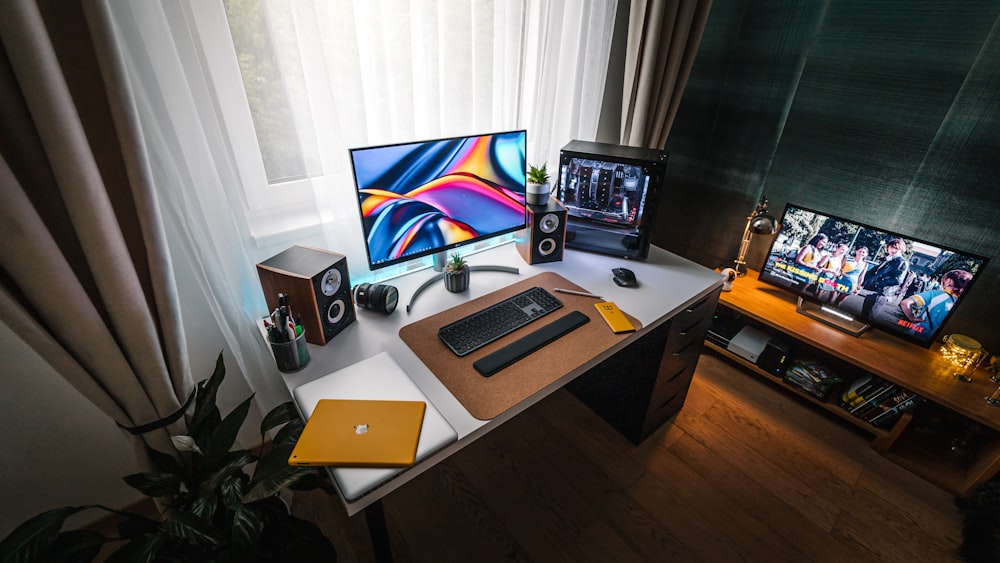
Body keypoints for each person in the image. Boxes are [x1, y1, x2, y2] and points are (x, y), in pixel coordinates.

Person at [898, 269, 972, 335]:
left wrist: (911, 317)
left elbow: (905, 303)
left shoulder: (934, 294)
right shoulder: (963, 304)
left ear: (949, 281)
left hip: (918, 331)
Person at [860, 238, 909, 319]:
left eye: (896, 248)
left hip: (883, 292)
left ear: (901, 250)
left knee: (869, 316)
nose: (893, 250)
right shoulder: (888, 259)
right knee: (864, 314)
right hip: (874, 290)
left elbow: (897, 280)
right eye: (891, 247)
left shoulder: (901, 262)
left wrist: (878, 283)